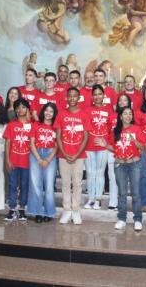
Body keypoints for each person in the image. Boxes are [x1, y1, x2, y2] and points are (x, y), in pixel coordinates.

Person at [98, 106, 144, 231]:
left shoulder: (137, 129)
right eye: (125, 113)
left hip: (134, 163)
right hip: (119, 164)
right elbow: (114, 148)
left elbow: (142, 147)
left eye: (130, 114)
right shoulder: (116, 130)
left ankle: (138, 219)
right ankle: (122, 218)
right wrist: (105, 145)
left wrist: (134, 139)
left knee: (135, 193)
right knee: (122, 193)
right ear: (120, 116)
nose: (128, 116)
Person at [55, 87, 91, 224]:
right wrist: (64, 153)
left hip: (79, 155)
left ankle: (76, 210)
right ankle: (66, 210)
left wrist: (77, 154)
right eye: (69, 96)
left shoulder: (84, 115)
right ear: (66, 97)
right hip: (63, 155)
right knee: (65, 183)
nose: (72, 98)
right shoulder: (61, 114)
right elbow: (58, 136)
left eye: (74, 96)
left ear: (79, 97)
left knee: (77, 183)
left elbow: (86, 137)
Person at [3, 98, 32, 221]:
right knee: (13, 184)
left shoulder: (32, 125)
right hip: (14, 160)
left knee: (25, 185)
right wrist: (7, 160)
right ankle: (12, 208)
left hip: (27, 161)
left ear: (27, 109)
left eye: (23, 107)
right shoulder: (11, 125)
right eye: (18, 107)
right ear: (15, 110)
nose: (21, 110)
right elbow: (7, 143)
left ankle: (22, 209)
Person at [84, 85, 112, 210]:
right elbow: (85, 127)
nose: (97, 96)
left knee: (100, 173)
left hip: (102, 146)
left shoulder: (109, 110)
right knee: (90, 173)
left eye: (100, 94)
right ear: (92, 96)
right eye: (95, 94)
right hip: (89, 145)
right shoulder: (87, 110)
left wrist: (105, 143)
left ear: (103, 95)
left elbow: (111, 128)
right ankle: (91, 198)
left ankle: (98, 199)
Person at [29, 102, 58, 223]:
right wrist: (39, 159)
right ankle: (37, 212)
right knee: (36, 185)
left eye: (51, 111)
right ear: (43, 111)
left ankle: (49, 212)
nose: (48, 113)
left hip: (50, 155)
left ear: (54, 113)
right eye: (46, 110)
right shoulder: (36, 124)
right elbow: (31, 143)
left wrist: (48, 160)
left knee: (49, 186)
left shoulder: (56, 127)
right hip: (36, 154)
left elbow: (57, 146)